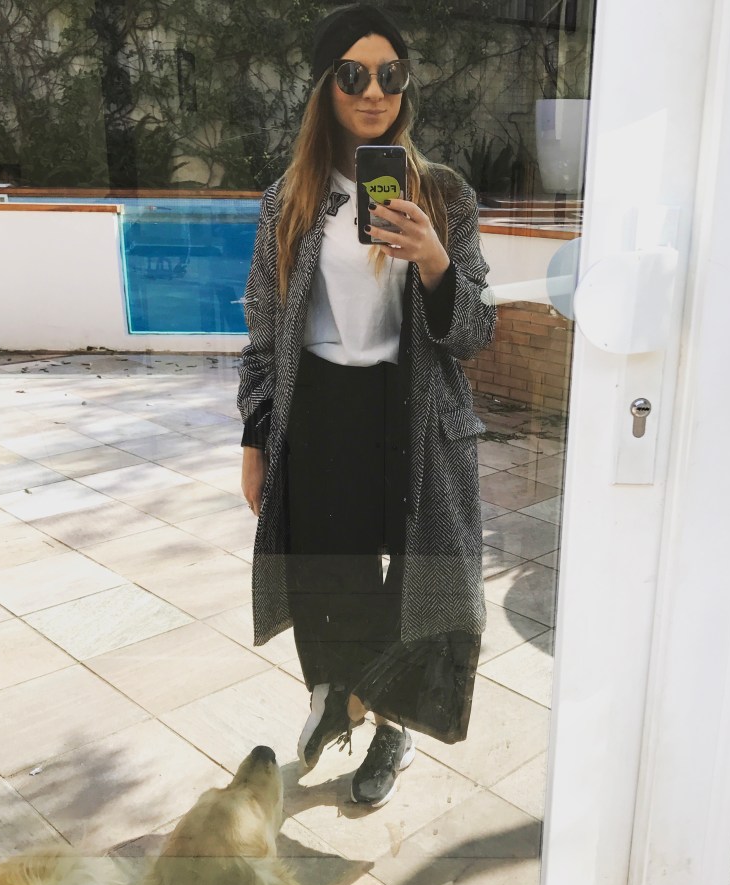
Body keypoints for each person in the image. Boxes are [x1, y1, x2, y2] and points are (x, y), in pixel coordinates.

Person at [237, 2, 496, 808]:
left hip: (409, 413)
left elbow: (475, 330)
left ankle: (390, 723)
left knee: (412, 578)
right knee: (329, 571)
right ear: (326, 86)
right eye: (354, 74)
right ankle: (336, 695)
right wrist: (255, 436)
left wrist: (435, 261)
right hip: (320, 412)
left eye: (391, 73)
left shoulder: (444, 195)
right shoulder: (290, 198)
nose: (375, 91)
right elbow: (262, 329)